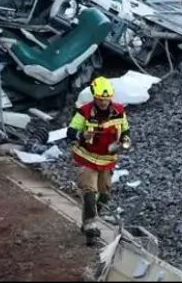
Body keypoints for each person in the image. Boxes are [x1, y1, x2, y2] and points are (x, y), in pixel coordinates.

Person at [67, 76, 131, 244]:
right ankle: (90, 227)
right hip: (87, 158)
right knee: (89, 192)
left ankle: (92, 217)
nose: (104, 103)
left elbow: (125, 131)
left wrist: (125, 141)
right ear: (95, 96)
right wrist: (82, 135)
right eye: (101, 99)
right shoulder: (84, 112)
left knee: (104, 194)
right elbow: (71, 132)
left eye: (106, 99)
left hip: (107, 159)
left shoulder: (119, 111)